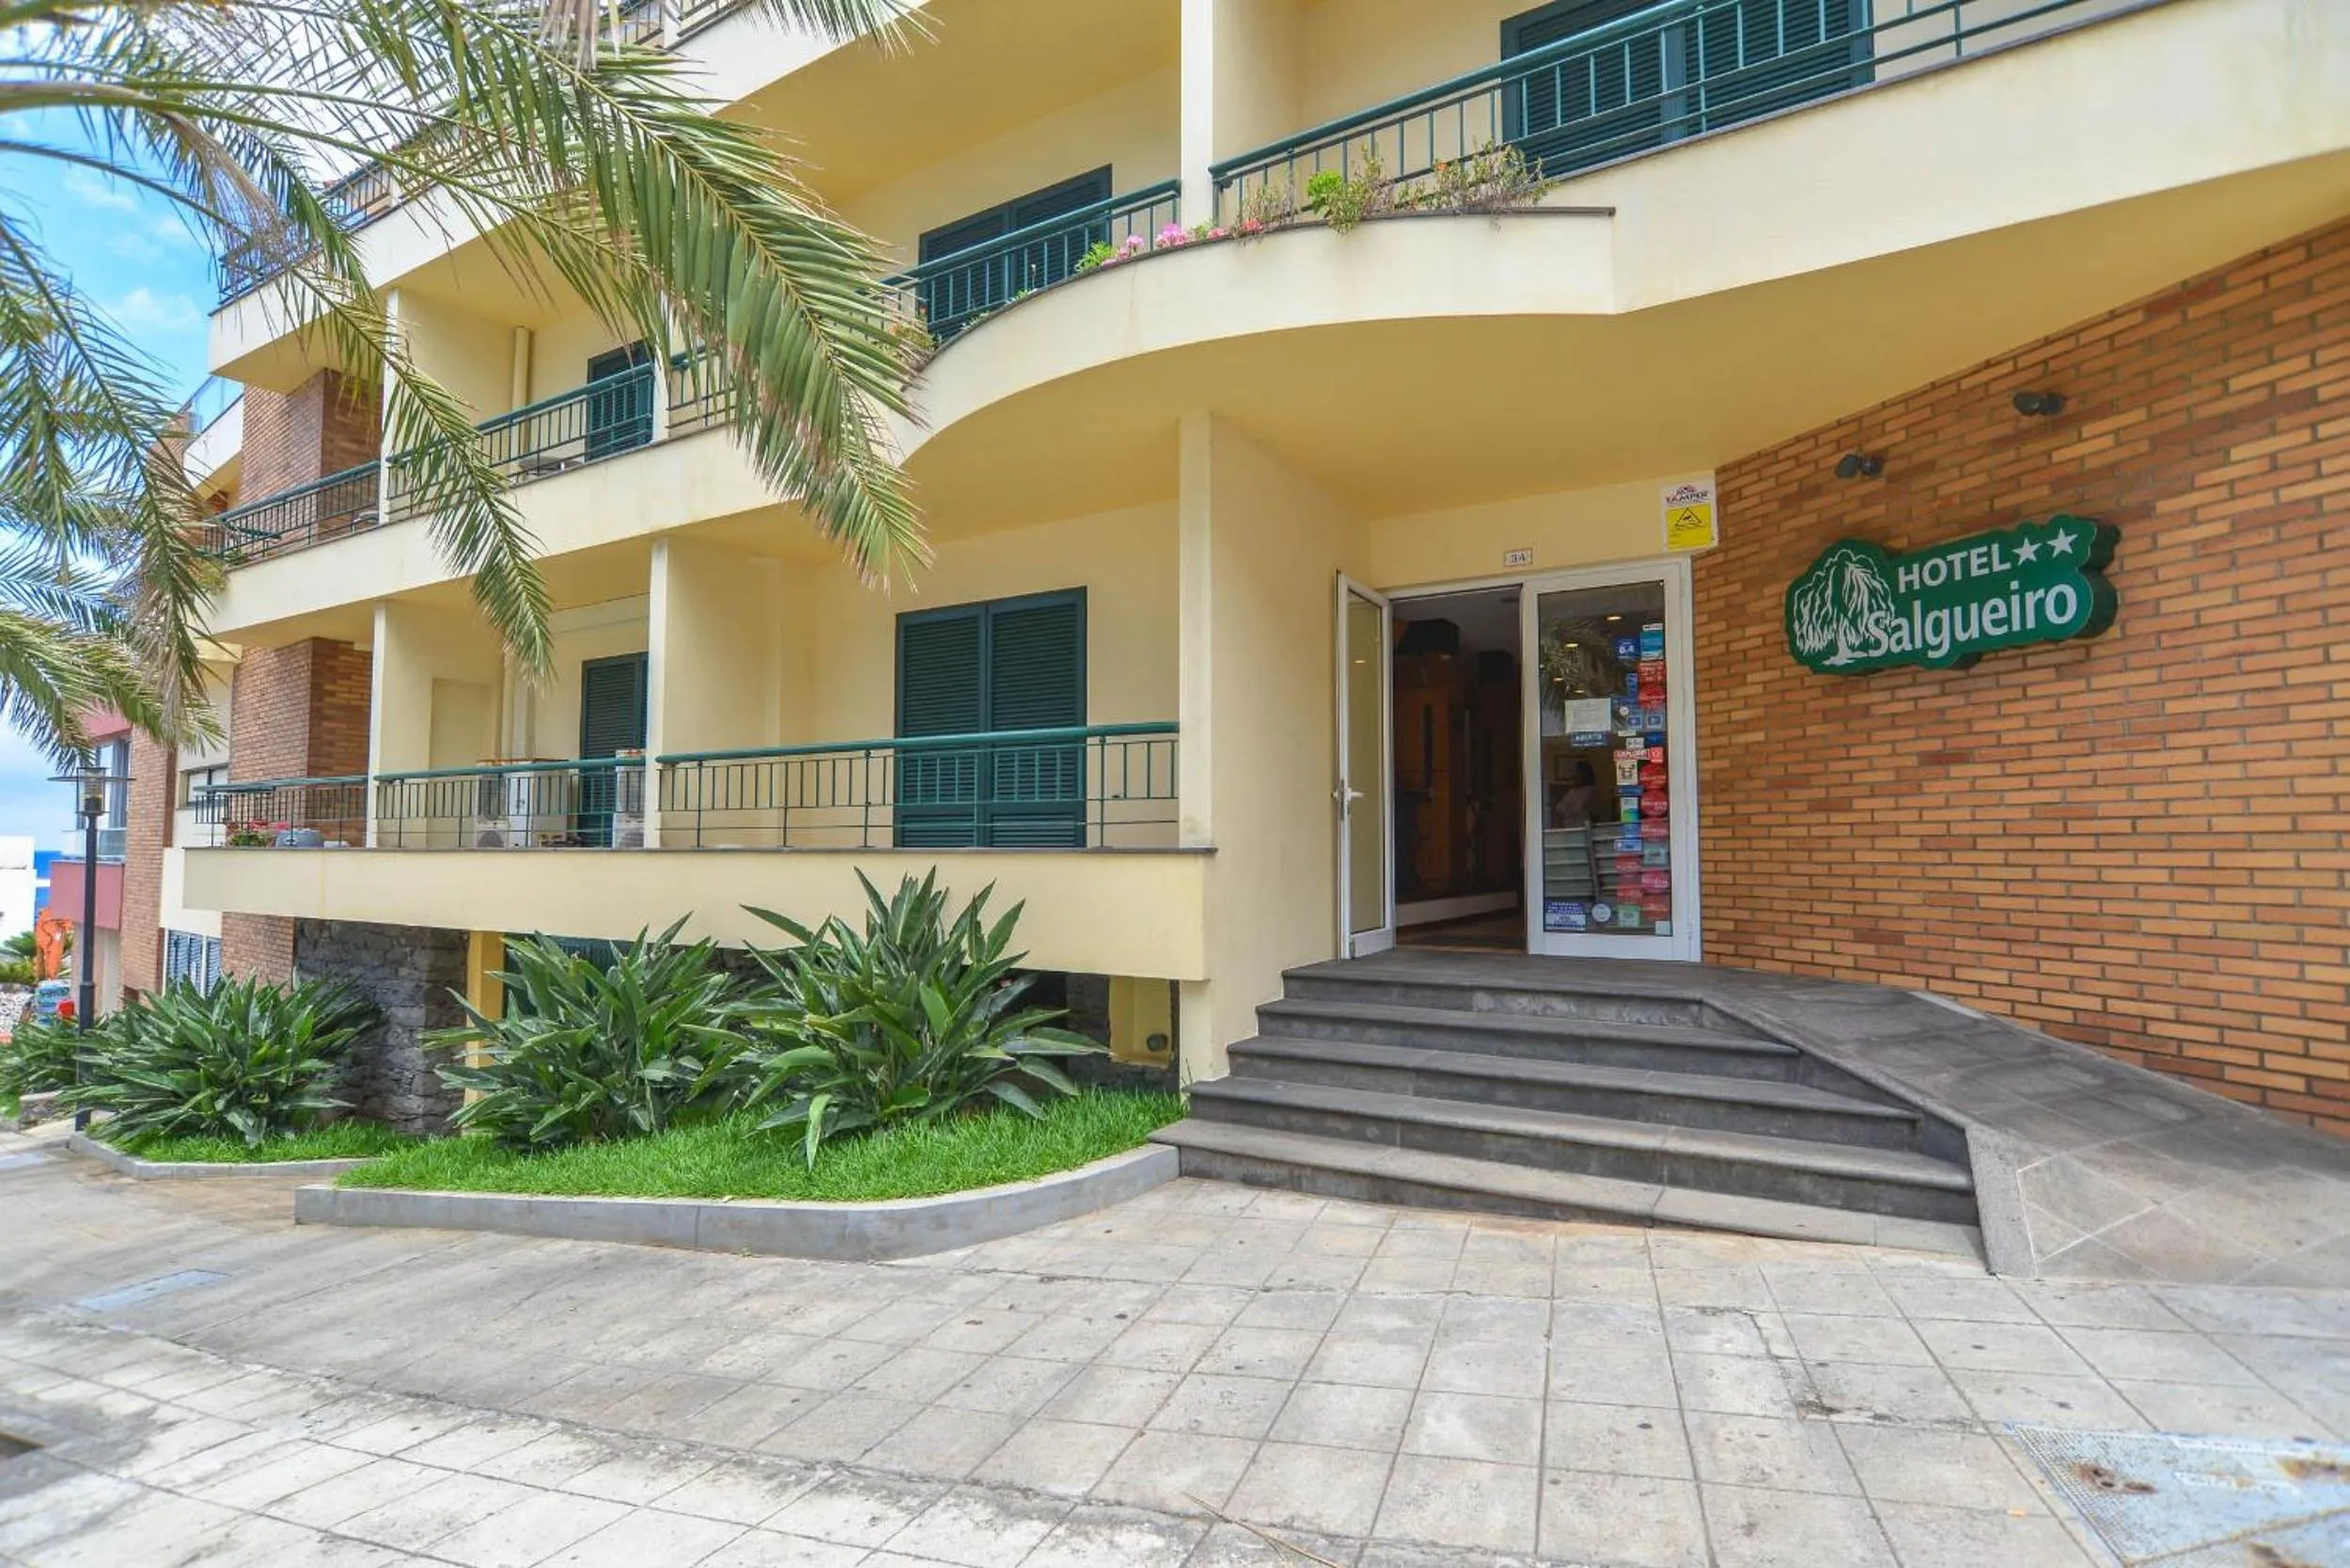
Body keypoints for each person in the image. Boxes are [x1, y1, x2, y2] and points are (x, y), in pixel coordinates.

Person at [1549, 759, 1600, 826]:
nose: (1574, 774)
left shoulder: (1587, 791)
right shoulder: (1574, 790)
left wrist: (1562, 808)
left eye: (1577, 772)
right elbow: (1560, 806)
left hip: (1579, 826)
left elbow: (1576, 810)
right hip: (1569, 827)